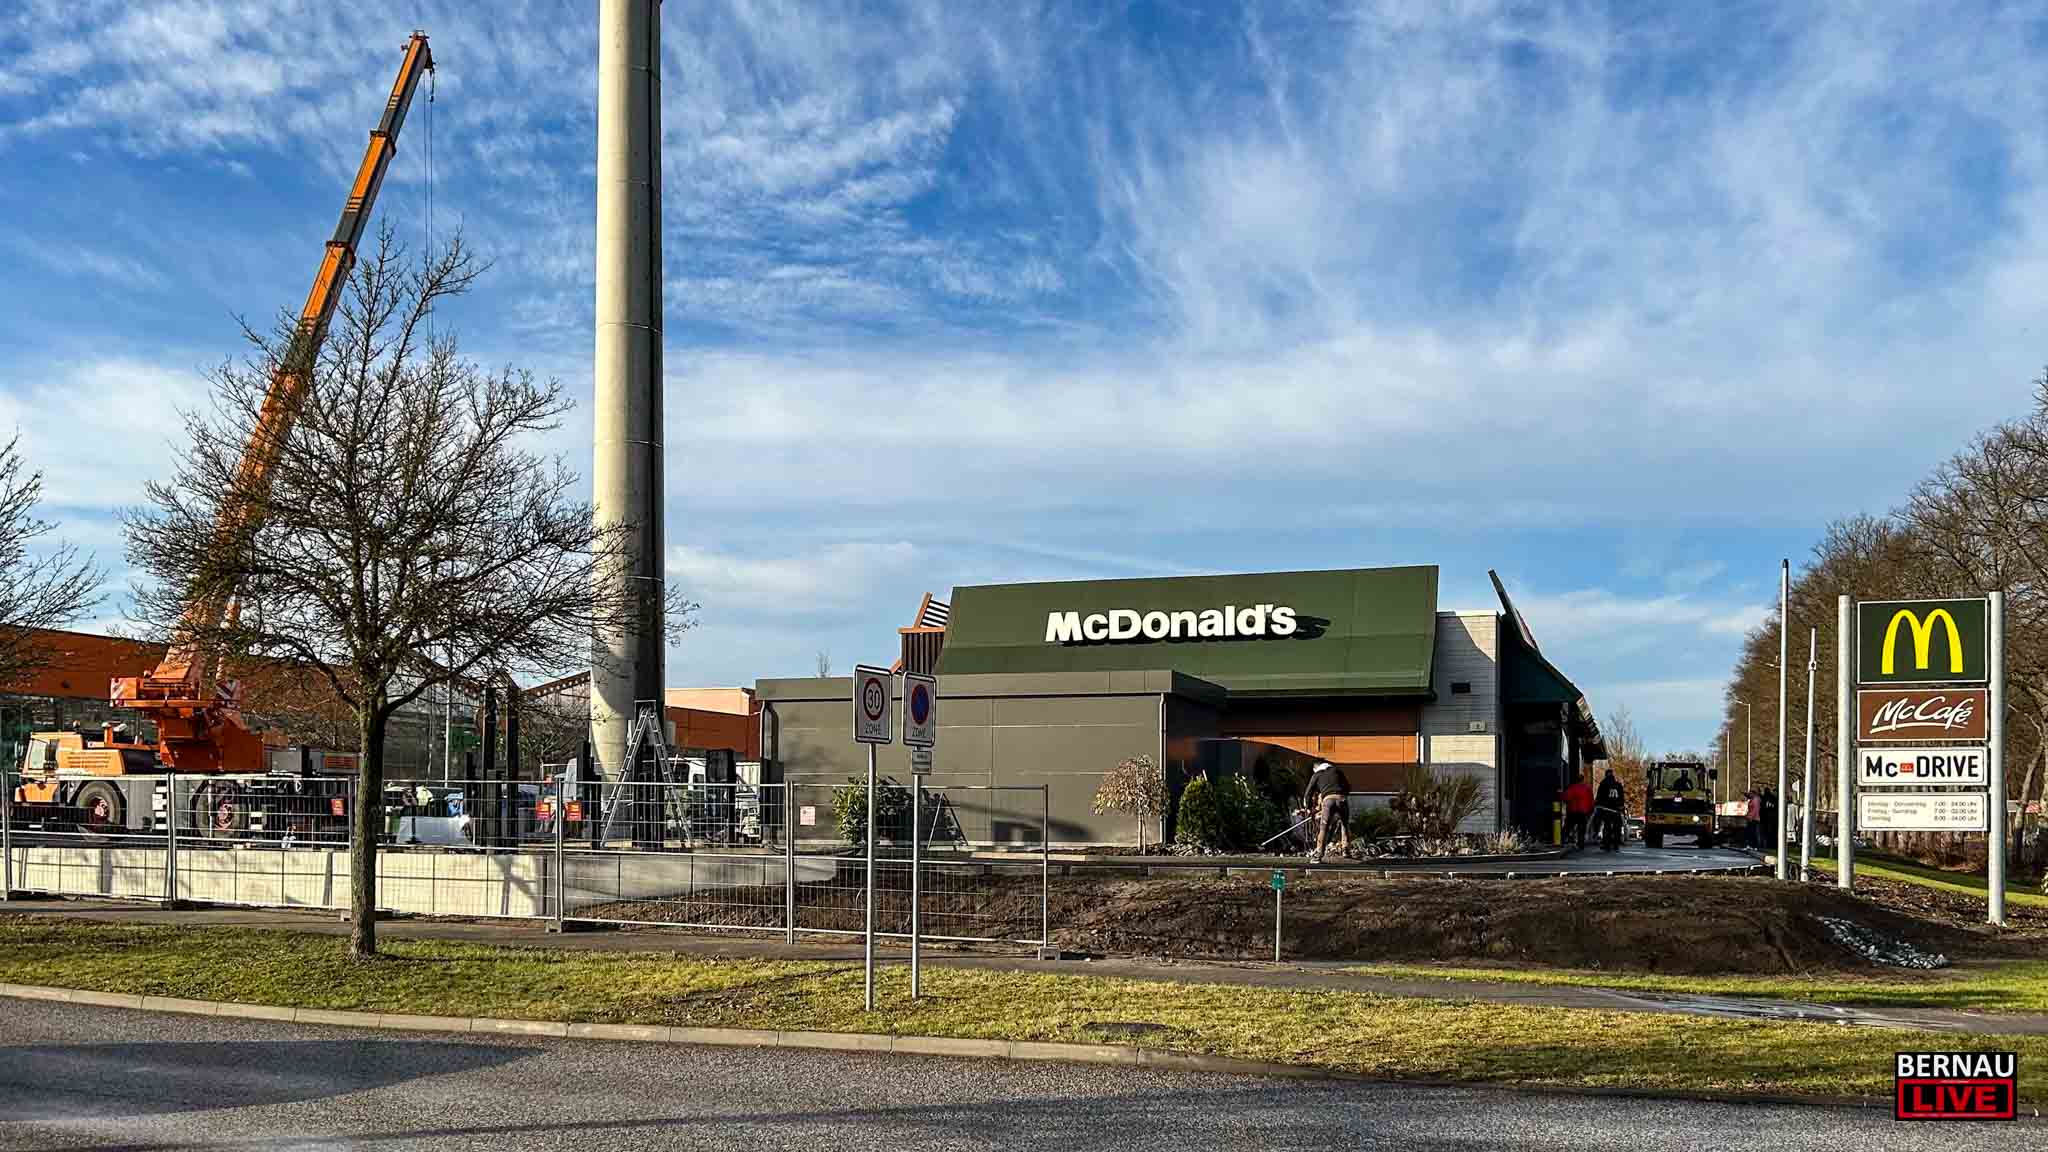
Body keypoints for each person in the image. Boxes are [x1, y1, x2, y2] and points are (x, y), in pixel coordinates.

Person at [1302, 760, 1351, 864]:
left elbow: (1308, 792)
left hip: (1328, 801)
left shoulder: (1317, 774)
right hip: (1342, 799)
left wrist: (1308, 807)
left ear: (1316, 768)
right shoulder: (1337, 771)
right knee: (1344, 825)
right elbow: (1347, 787)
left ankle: (1318, 855)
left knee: (1324, 827)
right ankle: (1346, 850)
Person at [1594, 768, 1626, 850]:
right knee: (1617, 827)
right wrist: (1621, 807)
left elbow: (1599, 797)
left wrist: (1598, 805)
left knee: (1607, 827)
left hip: (1606, 809)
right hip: (1617, 810)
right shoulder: (1618, 785)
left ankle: (1606, 844)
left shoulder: (1603, 784)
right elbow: (1622, 798)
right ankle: (1616, 844)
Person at [1561, 772, 1594, 849]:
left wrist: (1560, 794)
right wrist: (1590, 810)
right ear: (1583, 779)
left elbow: (1566, 798)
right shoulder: (1587, 788)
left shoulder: (1572, 788)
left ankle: (1562, 840)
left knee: (1567, 827)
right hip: (1583, 812)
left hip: (1572, 811)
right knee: (1581, 829)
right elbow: (1591, 801)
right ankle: (1581, 844)